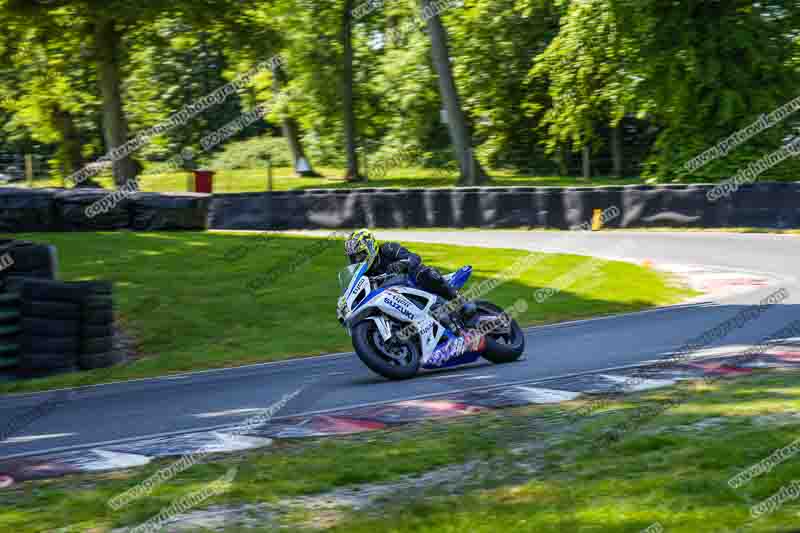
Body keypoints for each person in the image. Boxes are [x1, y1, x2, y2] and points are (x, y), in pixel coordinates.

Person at [343, 229, 476, 320]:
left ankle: (461, 302)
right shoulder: (364, 275)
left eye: (360, 255)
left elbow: (414, 257)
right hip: (398, 300)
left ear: (370, 247)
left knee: (422, 272)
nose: (357, 260)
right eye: (354, 258)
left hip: (414, 284)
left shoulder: (388, 249)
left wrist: (402, 264)